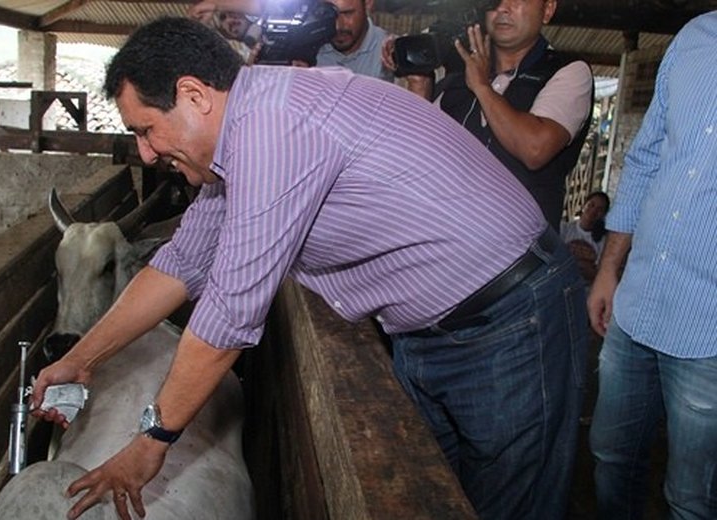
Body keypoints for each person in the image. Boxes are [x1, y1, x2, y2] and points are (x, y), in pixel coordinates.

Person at [32, 17, 587, 520]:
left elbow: (228, 313)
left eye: (146, 130)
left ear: (193, 95)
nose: (147, 154)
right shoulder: (237, 142)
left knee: (510, 506)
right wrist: (83, 358)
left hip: (512, 320)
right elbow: (178, 264)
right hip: (428, 331)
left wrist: (151, 441)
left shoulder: (274, 129)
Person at [587, 11, 717, 520]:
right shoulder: (695, 37)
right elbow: (644, 158)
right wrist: (608, 269)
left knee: (691, 499)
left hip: (708, 330)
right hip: (638, 304)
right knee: (610, 458)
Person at [382, 0, 594, 229]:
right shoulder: (457, 71)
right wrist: (419, 84)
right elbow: (417, 153)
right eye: (496, 0)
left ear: (548, 10)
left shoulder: (568, 72)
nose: (504, 8)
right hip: (441, 236)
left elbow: (535, 148)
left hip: (515, 251)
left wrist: (482, 87)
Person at [315, 0, 394, 81]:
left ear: (368, 3)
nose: (338, 26)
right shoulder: (308, 48)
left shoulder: (392, 53)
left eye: (347, 13)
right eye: (327, 14)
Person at [560, 190, 609, 283]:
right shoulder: (565, 229)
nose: (593, 211)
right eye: (591, 205)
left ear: (603, 215)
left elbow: (599, 273)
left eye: (599, 209)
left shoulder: (603, 241)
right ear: (584, 205)